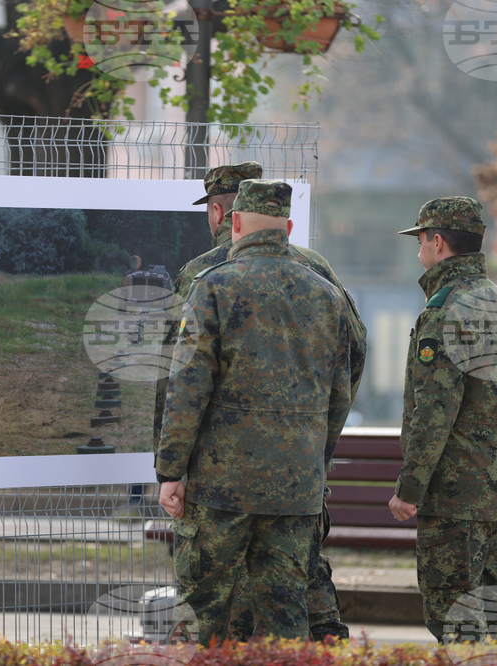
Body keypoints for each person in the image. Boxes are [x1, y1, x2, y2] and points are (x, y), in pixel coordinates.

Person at [154, 162, 367, 642]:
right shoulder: (325, 289)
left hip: (219, 484)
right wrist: (316, 454)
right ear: (288, 228)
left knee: (203, 610)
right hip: (296, 483)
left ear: (231, 222)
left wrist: (170, 469)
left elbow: (185, 387)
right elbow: (342, 383)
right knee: (287, 615)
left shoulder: (210, 282)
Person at [388, 196, 497, 643]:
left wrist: (410, 489)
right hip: (496, 484)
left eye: (422, 241)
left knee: (453, 614)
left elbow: (433, 412)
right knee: (492, 604)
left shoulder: (444, 311)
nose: (419, 252)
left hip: (453, 493)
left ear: (439, 242)